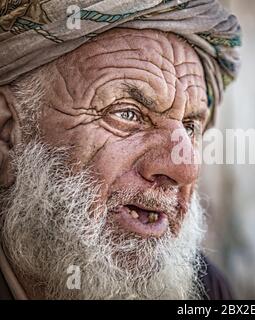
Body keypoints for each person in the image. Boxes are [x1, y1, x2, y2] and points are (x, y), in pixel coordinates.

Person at [0, 0, 241, 300]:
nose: (185, 168)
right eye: (127, 114)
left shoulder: (208, 293)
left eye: (190, 127)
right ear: (7, 133)